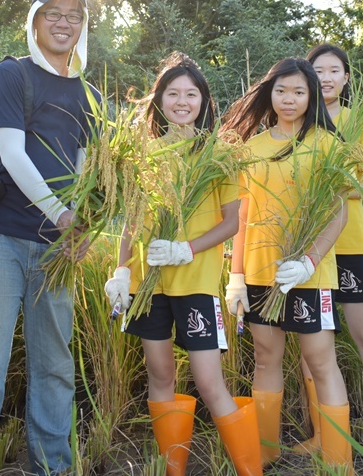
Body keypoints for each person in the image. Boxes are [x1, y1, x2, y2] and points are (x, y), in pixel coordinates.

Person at [0, 0, 98, 476]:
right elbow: (12, 154)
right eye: (53, 13)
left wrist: (83, 230)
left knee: (55, 368)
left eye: (73, 15)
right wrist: (59, 212)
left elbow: (89, 171)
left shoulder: (89, 95)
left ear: (84, 26)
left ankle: (52, 467)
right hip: (3, 239)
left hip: (57, 250)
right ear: (34, 20)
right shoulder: (11, 76)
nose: (63, 22)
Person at [104, 53, 262, 476]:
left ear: (204, 102)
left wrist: (186, 249)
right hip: (148, 284)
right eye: (172, 93)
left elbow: (232, 223)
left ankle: (251, 470)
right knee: (160, 376)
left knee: (210, 383)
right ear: (159, 101)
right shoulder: (143, 153)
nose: (181, 101)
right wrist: (121, 271)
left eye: (191, 94)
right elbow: (132, 220)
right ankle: (174, 470)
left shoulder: (219, 154)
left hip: (195, 282)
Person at [222, 58, 354, 472]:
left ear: (312, 96)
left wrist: (309, 261)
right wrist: (236, 276)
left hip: (310, 275)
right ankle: (266, 450)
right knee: (265, 357)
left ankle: (339, 460)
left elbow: (339, 214)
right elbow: (242, 216)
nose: (290, 99)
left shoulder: (329, 145)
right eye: (282, 91)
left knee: (320, 360)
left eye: (299, 91)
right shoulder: (251, 149)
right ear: (270, 94)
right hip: (262, 270)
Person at [295, 44, 363, 453]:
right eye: (316, 69)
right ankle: (324, 436)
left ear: (346, 77)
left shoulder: (361, 120)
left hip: (352, 245)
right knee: (312, 348)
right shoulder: (299, 122)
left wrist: (337, 186)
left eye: (333, 70)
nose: (325, 77)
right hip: (306, 251)